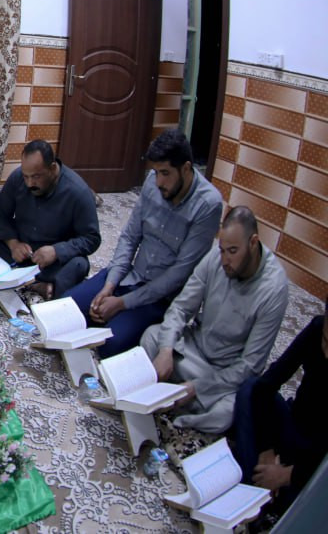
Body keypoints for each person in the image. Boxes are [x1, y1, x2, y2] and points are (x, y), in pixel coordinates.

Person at [67, 129, 223, 358]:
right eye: (155, 172)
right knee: (65, 309)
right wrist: (110, 285)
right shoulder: (153, 182)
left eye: (165, 173)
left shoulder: (208, 204)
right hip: (131, 276)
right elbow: (130, 237)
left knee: (109, 344)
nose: (158, 181)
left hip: (161, 297)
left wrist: (122, 303)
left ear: (186, 168)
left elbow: (179, 274)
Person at [138, 206, 288, 433]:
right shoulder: (215, 258)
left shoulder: (274, 289)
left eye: (233, 251)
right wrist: (166, 350)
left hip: (224, 373)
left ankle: (180, 418)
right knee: (152, 336)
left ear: (253, 242)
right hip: (194, 350)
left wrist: (197, 387)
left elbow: (250, 365)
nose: (225, 259)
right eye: (222, 250)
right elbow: (181, 308)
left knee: (228, 412)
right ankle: (180, 402)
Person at [0, 140, 99, 299]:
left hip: (51, 261)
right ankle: (37, 284)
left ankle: (25, 280)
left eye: (36, 177)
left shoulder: (78, 192)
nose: (30, 183)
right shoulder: (17, 178)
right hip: (21, 252)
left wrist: (57, 251)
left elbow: (91, 238)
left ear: (52, 168)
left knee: (78, 265)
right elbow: (1, 215)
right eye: (26, 177)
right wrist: (13, 244)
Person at [230, 296, 327, 510]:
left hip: (319, 459)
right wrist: (266, 451)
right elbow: (266, 386)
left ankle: (261, 490)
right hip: (295, 425)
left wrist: (288, 475)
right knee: (249, 389)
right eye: (326, 341)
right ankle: (259, 487)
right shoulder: (317, 327)